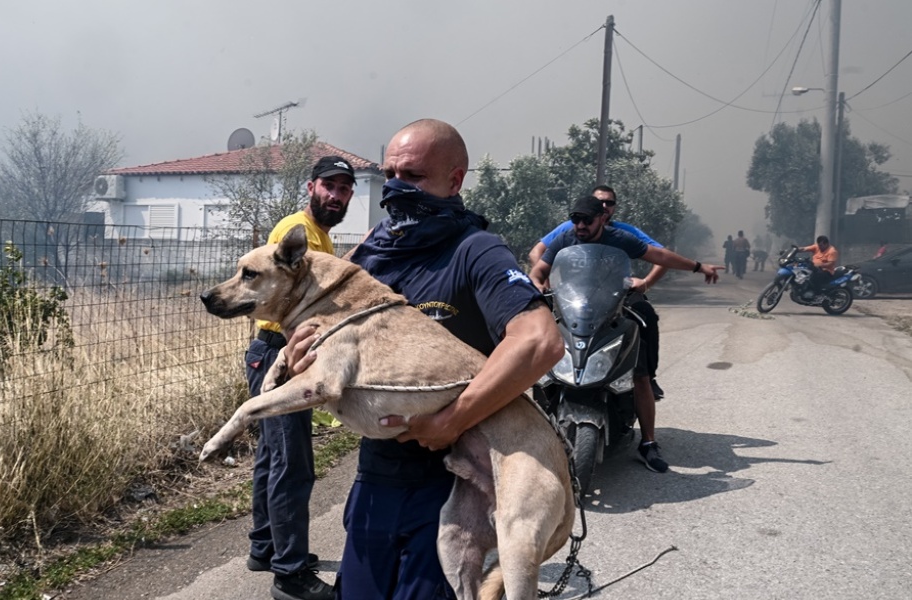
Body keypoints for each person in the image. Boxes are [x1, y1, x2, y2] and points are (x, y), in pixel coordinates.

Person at [282, 119, 562, 599]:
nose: (395, 188)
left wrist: (453, 420)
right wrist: (297, 354)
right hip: (376, 475)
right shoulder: (372, 251)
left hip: (452, 480)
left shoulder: (476, 251)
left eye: (412, 177)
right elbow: (319, 336)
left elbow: (540, 342)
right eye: (390, 173)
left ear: (454, 181)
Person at [529, 196, 722, 474]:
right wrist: (537, 284)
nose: (580, 225)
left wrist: (697, 266)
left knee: (639, 372)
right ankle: (535, 431)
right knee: (539, 363)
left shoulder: (619, 238)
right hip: (572, 312)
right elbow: (539, 269)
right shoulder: (565, 239)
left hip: (613, 310)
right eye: (576, 219)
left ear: (602, 218)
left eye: (587, 220)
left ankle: (648, 443)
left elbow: (659, 256)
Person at [244, 155, 356, 600]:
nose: (337, 195)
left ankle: (266, 547)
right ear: (311, 187)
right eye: (329, 185)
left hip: (272, 352)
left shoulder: (321, 237)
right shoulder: (297, 233)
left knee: (273, 456)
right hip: (279, 353)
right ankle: (290, 576)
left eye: (345, 189)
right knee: (293, 465)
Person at [528, 185, 669, 403]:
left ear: (611, 209)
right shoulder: (570, 228)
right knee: (537, 320)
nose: (604, 206)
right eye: (598, 202)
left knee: (645, 315)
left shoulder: (624, 232)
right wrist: (545, 281)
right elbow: (537, 252)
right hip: (572, 296)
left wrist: (646, 283)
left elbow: (662, 255)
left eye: (609, 203)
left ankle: (647, 376)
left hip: (614, 296)